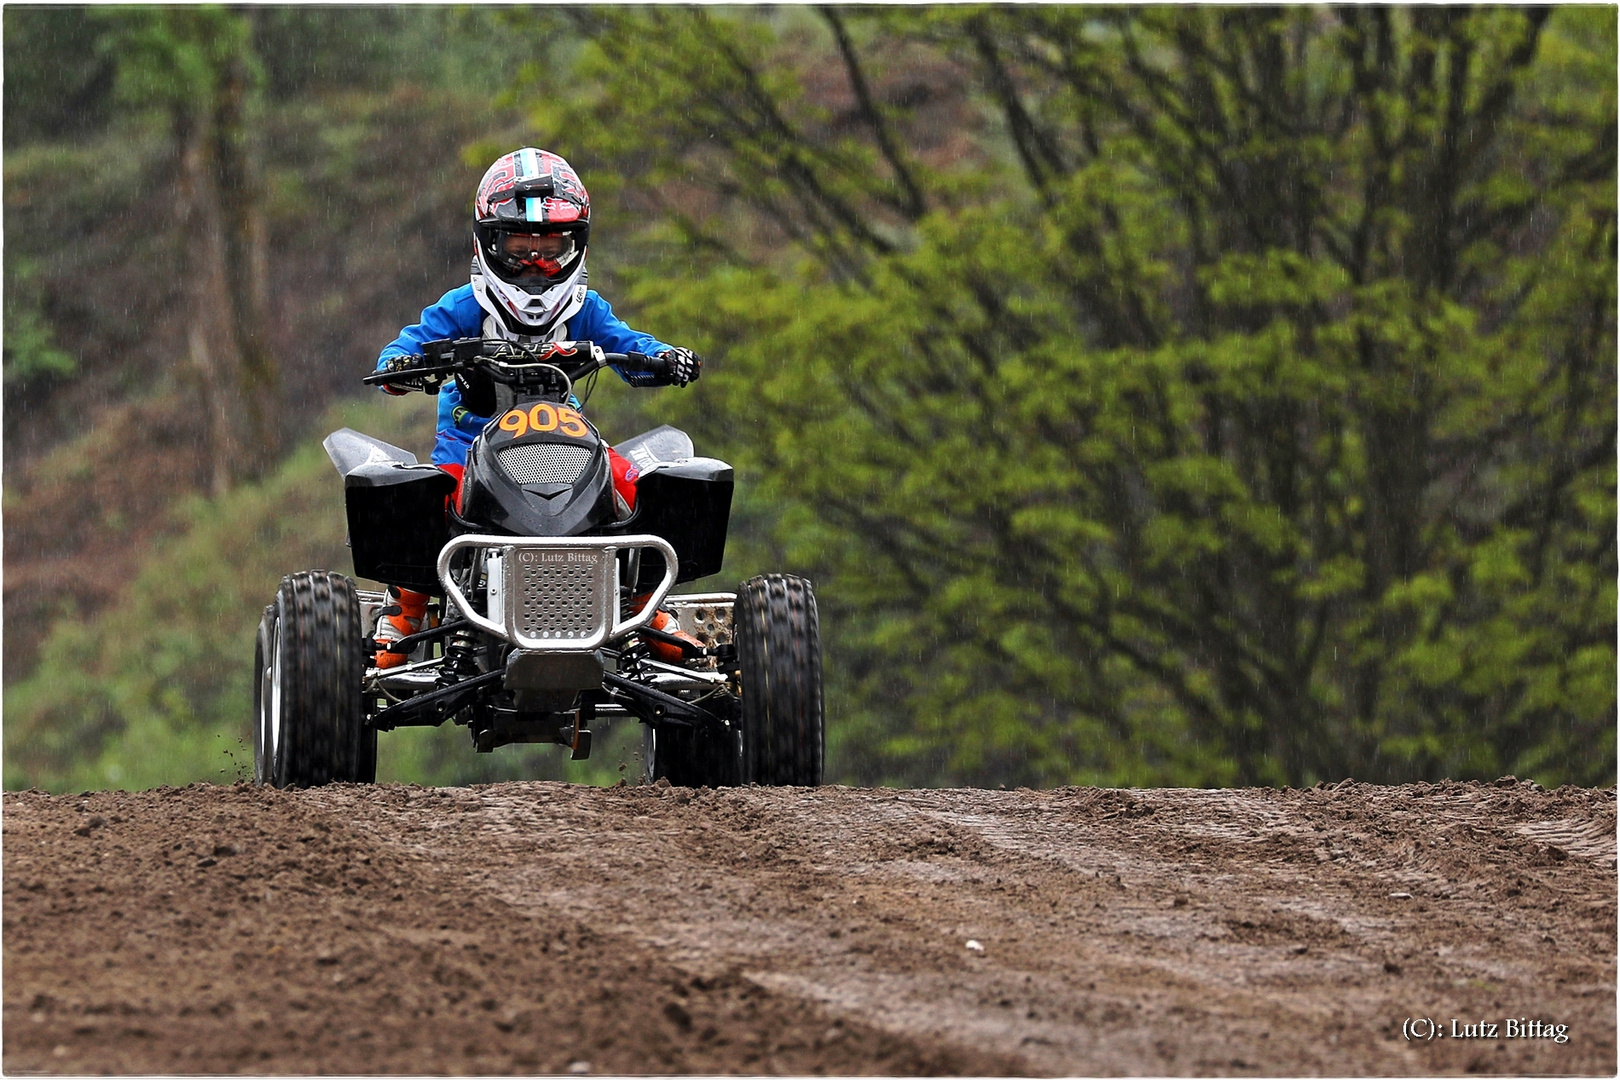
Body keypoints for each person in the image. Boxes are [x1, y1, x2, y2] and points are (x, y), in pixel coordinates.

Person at [372, 147, 702, 668]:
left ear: (576, 245)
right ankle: (406, 611)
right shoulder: (463, 306)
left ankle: (646, 606)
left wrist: (664, 358)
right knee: (424, 499)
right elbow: (406, 347)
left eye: (550, 246)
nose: (534, 262)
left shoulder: (585, 308)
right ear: (488, 243)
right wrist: (400, 368)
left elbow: (629, 344)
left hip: (569, 445)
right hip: (470, 445)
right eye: (519, 245)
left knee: (637, 485)